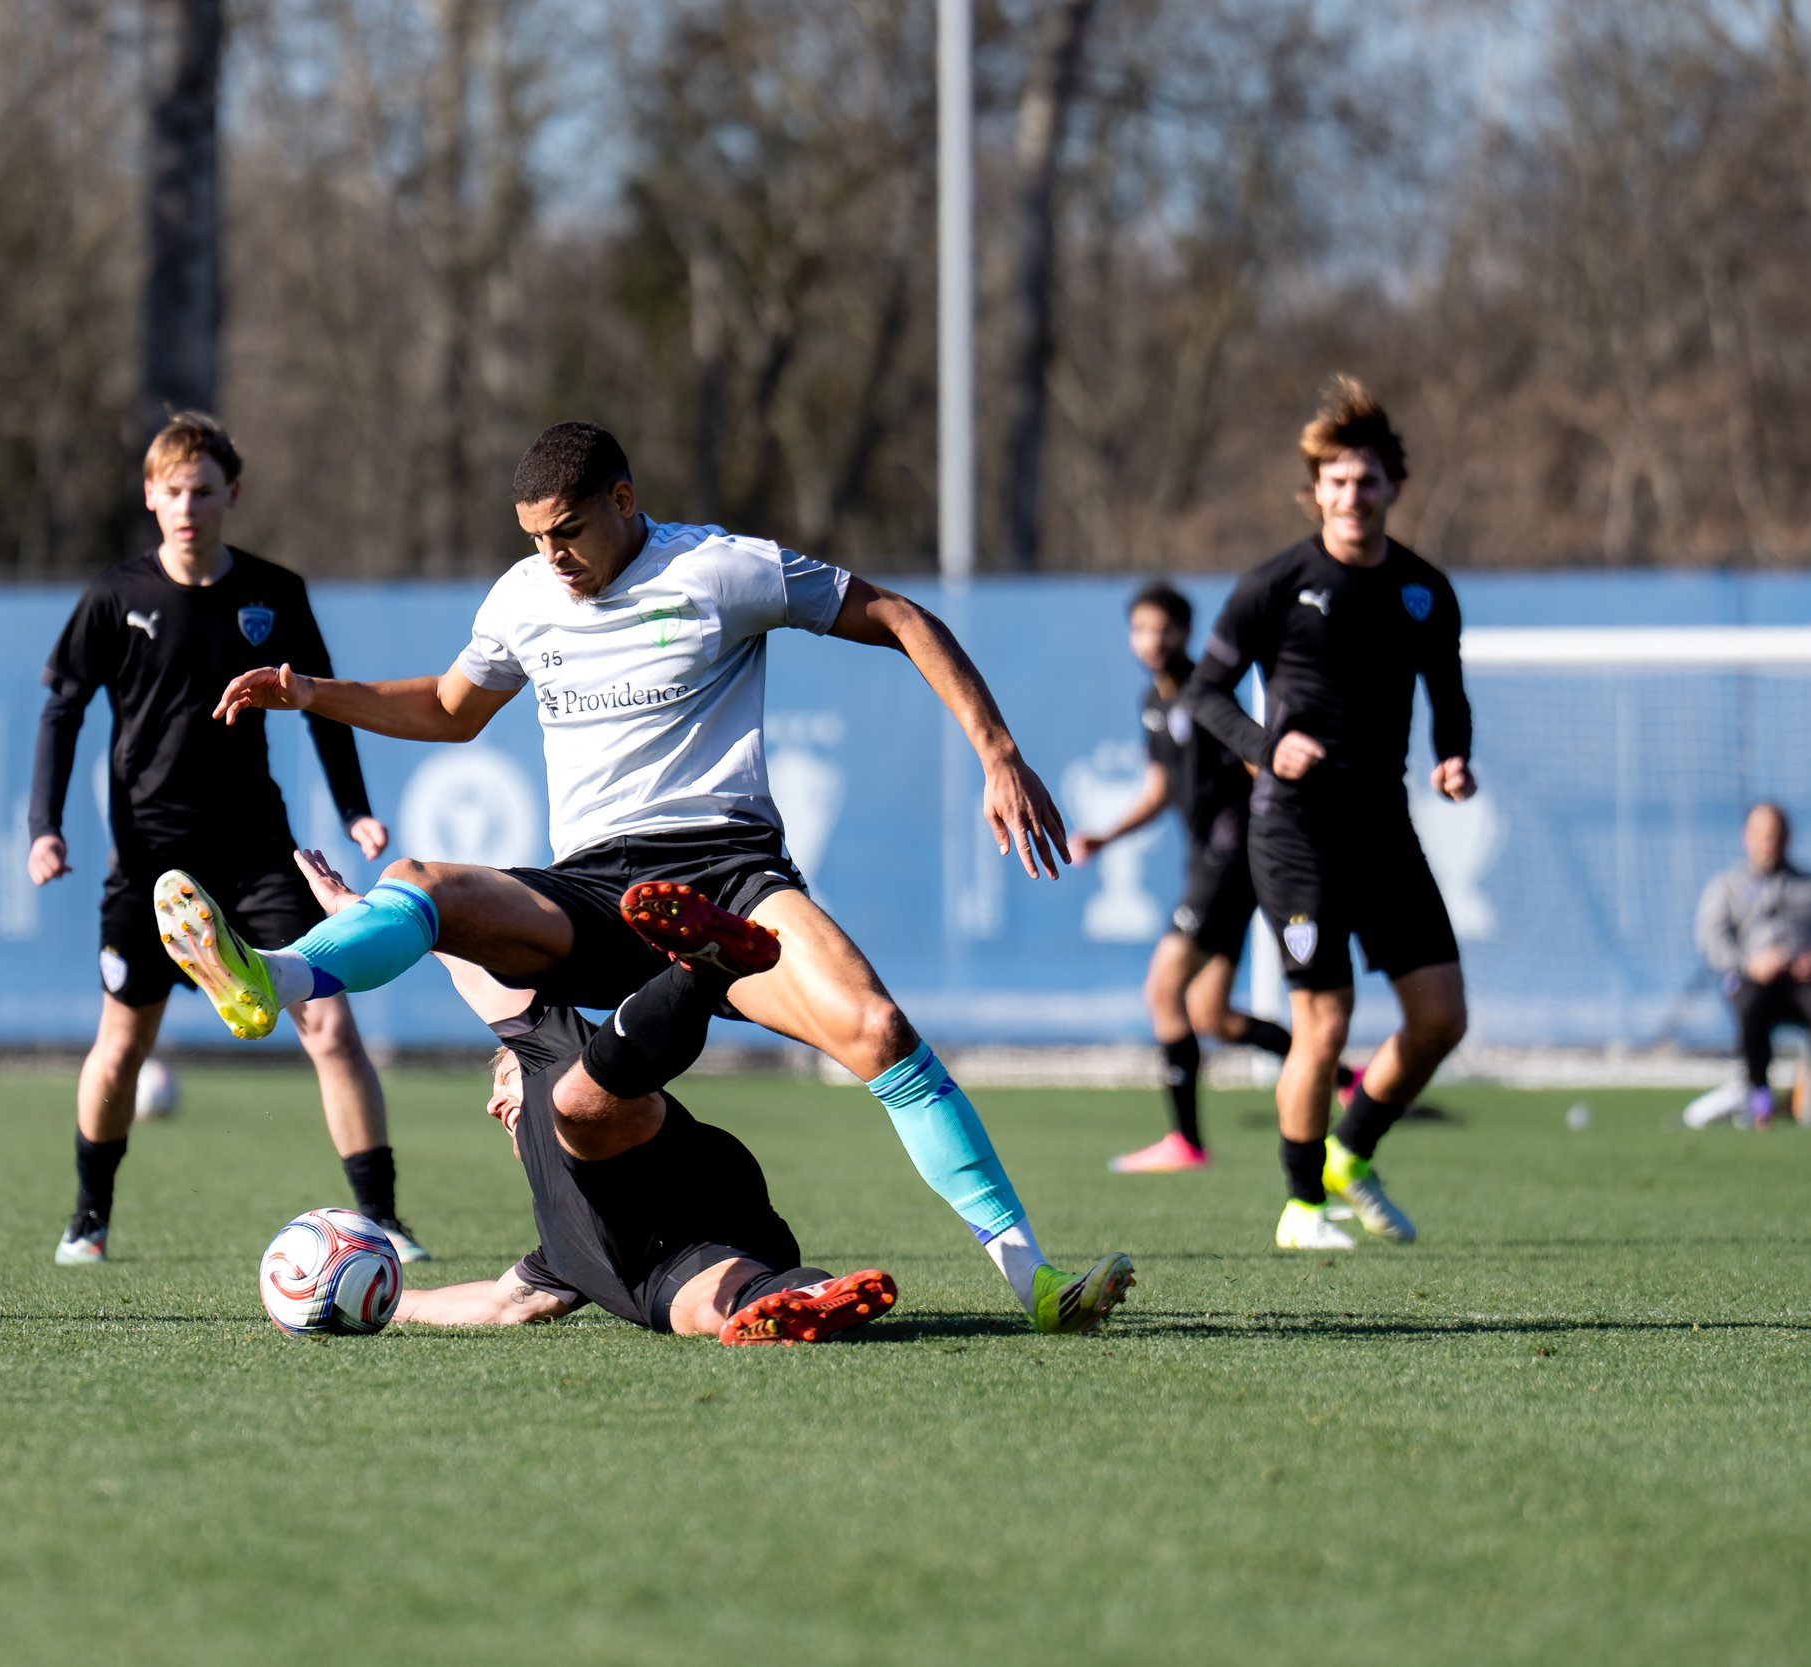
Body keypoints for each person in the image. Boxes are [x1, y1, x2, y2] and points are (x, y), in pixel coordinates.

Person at [157, 420, 1132, 1334]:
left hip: (727, 873)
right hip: (594, 889)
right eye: (536, 537)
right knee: (423, 880)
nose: (554, 556)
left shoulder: (722, 567)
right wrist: (311, 693)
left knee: (876, 1029)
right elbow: (453, 708)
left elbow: (900, 615)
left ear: (625, 499)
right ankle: (270, 977)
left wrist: (998, 752)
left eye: (569, 531)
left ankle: (1033, 1281)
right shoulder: (524, 597)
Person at [27, 411, 422, 1267]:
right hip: (148, 865)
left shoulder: (274, 593)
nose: (188, 507)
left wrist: (354, 807)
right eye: (172, 491)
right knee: (123, 1042)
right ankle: (89, 1217)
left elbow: (322, 700)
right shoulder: (113, 597)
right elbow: (61, 709)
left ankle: (386, 1218)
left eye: (204, 491)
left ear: (231, 495)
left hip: (254, 852)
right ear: (149, 497)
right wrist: (44, 827)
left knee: (328, 1021)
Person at [358, 863, 899, 1345]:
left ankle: (697, 971)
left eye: (502, 1080)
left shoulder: (546, 1050)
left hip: (676, 1161)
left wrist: (385, 921)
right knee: (699, 1310)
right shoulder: (561, 1248)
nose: (494, 1104)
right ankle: (805, 1294)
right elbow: (502, 1305)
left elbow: (468, 963)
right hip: (708, 1254)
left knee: (570, 1102)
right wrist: (377, 1301)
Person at [1183, 377, 1471, 1251]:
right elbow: (1204, 692)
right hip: (1294, 830)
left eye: (1368, 481)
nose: (1353, 496)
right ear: (1316, 492)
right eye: (1337, 483)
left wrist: (1455, 755)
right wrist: (1268, 744)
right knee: (1327, 1018)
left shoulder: (1424, 590)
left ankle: (1352, 1149)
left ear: (1392, 488)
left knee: (1440, 1017)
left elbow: (1447, 694)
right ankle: (1302, 1205)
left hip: (1384, 827)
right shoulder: (1276, 583)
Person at [1072, 582, 1325, 1173]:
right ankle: (1341, 1078)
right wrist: (1103, 837)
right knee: (1212, 1014)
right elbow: (1160, 789)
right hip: (1210, 861)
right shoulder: (1153, 702)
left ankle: (1185, 1141)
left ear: (1186, 633)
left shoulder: (1205, 695)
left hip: (1230, 857)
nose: (1151, 640)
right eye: (1140, 629)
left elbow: (1254, 757)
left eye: (1164, 628)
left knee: (1162, 991)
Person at [1694, 801, 1811, 1128]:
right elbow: (1712, 940)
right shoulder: (1727, 886)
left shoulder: (1806, 885)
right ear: (1746, 837)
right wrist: (1750, 963)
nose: (1768, 842)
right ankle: (1759, 1096)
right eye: (1760, 834)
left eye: (1775, 834)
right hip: (1754, 981)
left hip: (1801, 983)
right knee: (1750, 1004)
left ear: (1787, 838)